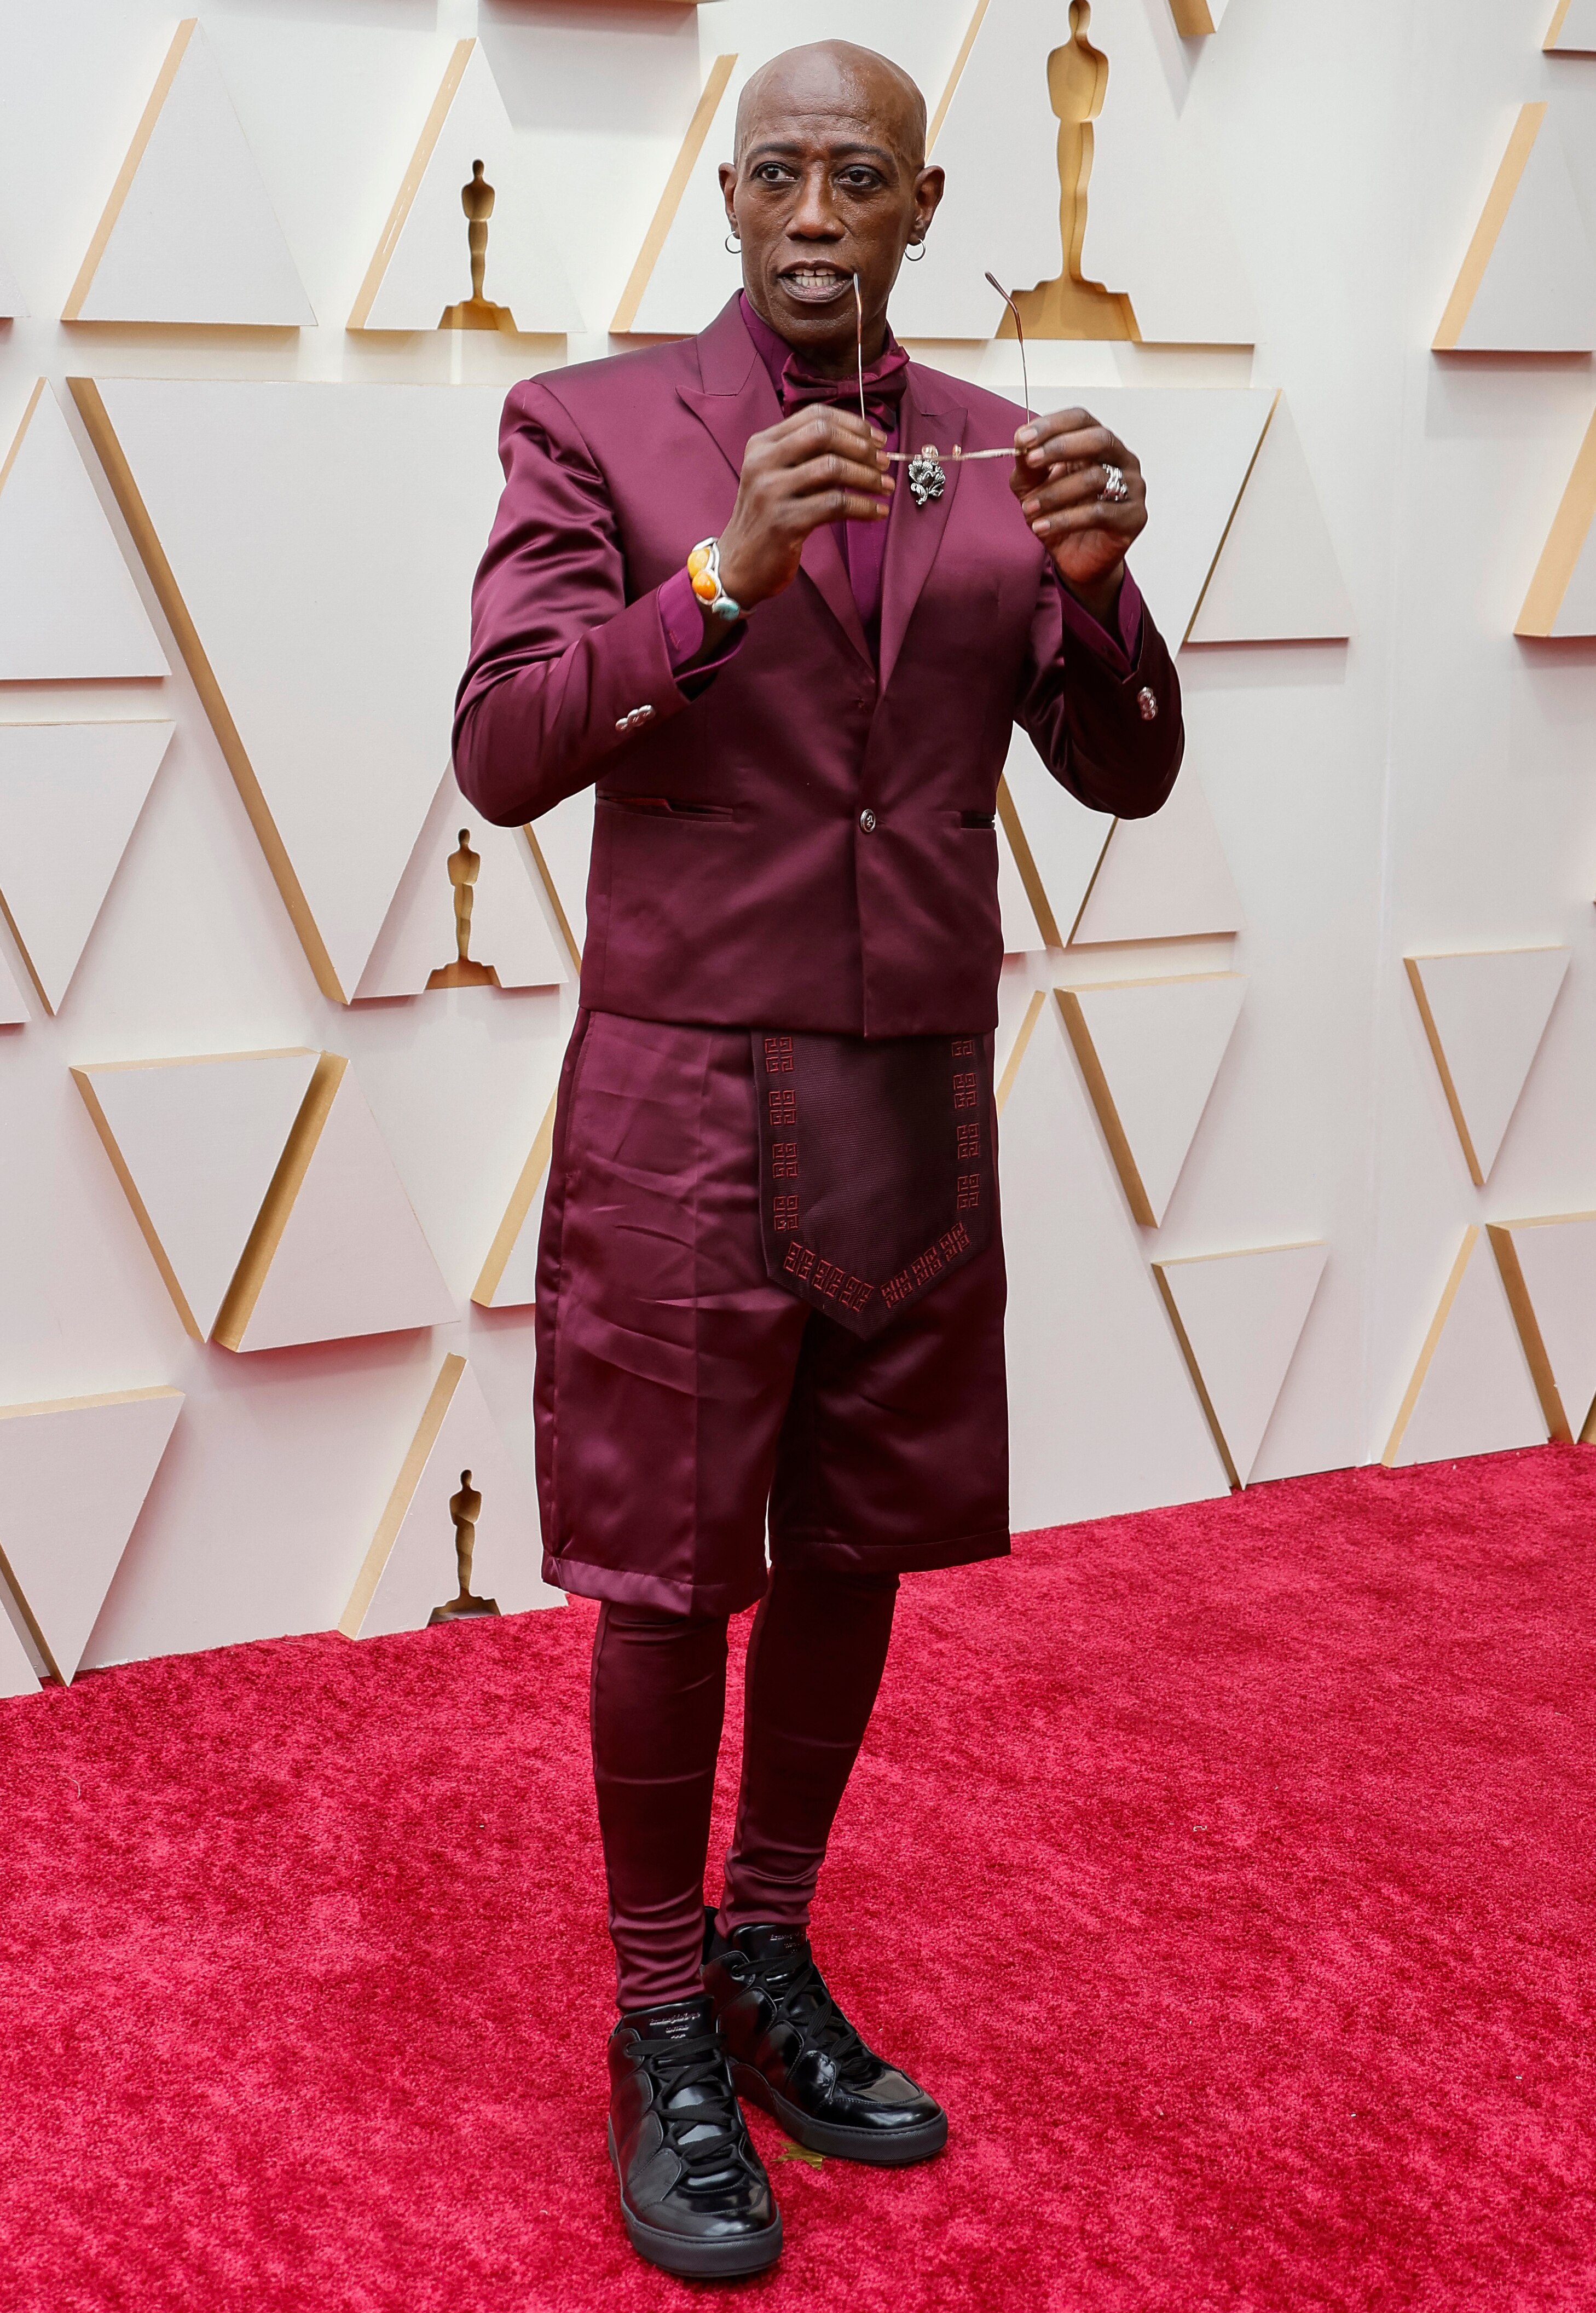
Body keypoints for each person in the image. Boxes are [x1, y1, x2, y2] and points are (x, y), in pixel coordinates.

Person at [453, 39, 1182, 2281]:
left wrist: (1110, 585)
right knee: (678, 1573)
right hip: (684, 1095)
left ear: (920, 201)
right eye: (773, 166)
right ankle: (661, 2005)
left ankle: (768, 1951)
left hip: (910, 1092)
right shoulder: (596, 428)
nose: (809, 205)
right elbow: (501, 748)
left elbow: (1125, 771)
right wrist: (726, 574)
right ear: (728, 192)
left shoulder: (994, 447)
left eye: (854, 173)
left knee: (857, 1537)